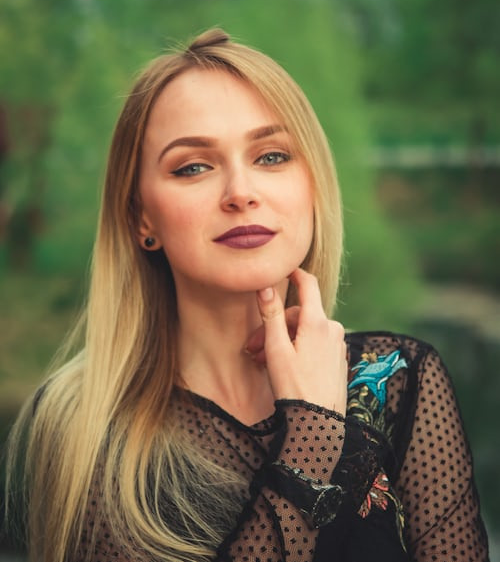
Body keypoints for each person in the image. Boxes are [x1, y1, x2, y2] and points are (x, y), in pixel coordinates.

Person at [6, 28, 489, 562]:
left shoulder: (400, 379)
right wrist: (312, 429)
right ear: (141, 216)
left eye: (272, 156)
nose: (240, 193)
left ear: (313, 185)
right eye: (193, 167)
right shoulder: (80, 427)